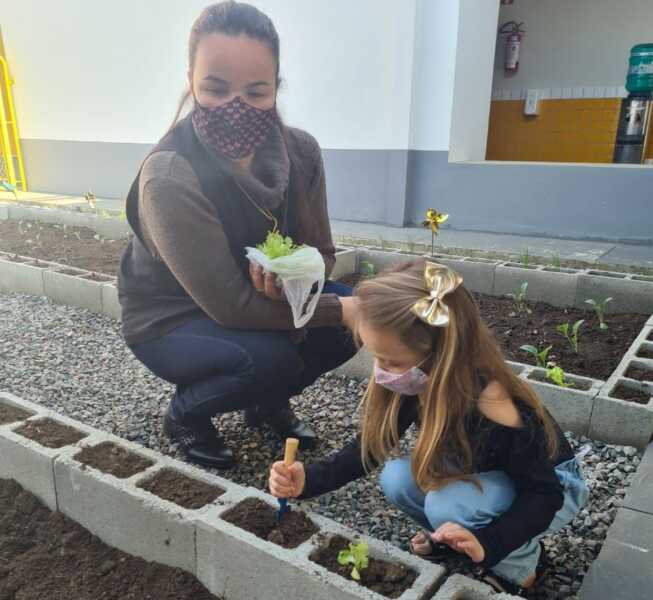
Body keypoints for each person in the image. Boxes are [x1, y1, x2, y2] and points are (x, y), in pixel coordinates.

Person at [118, 1, 357, 470]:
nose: (235, 106)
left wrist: (297, 279)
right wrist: (339, 308)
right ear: (191, 79)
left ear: (276, 87)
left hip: (253, 299)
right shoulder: (169, 174)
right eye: (215, 87)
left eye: (256, 90)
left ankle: (265, 403)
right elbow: (228, 305)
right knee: (276, 354)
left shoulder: (302, 152)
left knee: (343, 331)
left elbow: (322, 253)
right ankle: (185, 414)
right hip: (172, 316)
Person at [268, 260, 590, 595]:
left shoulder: (492, 404)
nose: (381, 372)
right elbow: (372, 446)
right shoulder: (420, 379)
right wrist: (310, 479)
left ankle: (522, 564)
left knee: (447, 506)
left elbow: (544, 493)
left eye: (391, 362)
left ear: (441, 355)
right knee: (397, 478)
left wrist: (490, 541)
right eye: (375, 356)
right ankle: (455, 540)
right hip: (488, 473)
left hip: (553, 489)